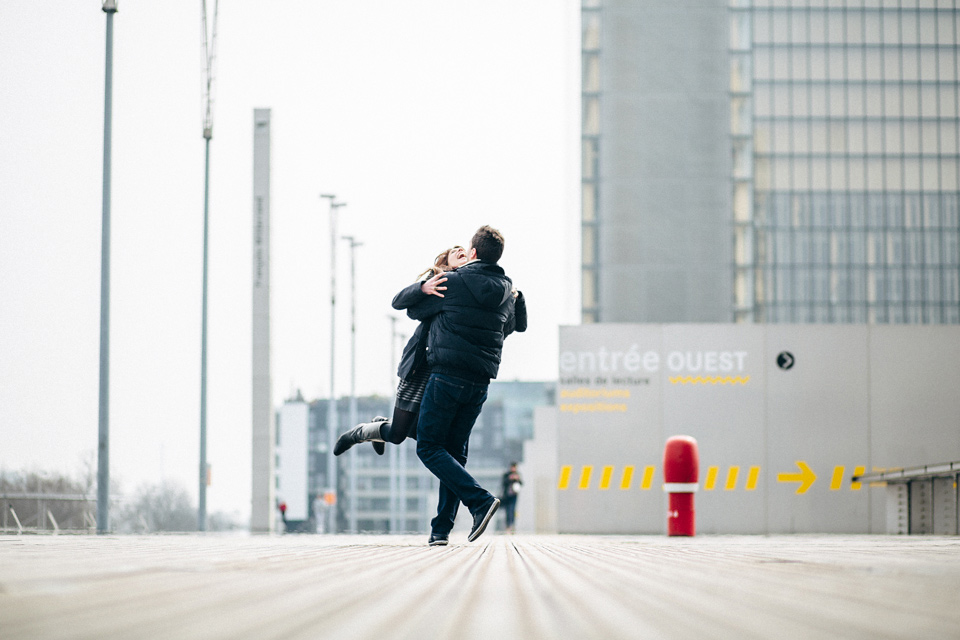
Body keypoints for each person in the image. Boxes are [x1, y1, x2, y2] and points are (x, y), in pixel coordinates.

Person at [396, 225, 526, 546]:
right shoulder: (506, 292)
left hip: (446, 377)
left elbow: (407, 306)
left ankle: (479, 501)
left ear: (474, 252)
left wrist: (425, 287)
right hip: (480, 384)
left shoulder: (453, 283)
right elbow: (516, 326)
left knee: (428, 447)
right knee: (454, 453)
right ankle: (441, 529)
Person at [333, 245, 470, 456]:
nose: (461, 250)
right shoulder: (440, 284)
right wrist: (423, 288)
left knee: (426, 433)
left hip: (444, 373)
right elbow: (400, 303)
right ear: (445, 261)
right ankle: (360, 432)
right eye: (455, 250)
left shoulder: (469, 288)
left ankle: (379, 427)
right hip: (420, 368)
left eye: (465, 250)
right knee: (397, 435)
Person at [500, 462, 522, 533]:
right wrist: (510, 479)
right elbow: (503, 483)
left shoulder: (518, 474)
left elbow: (521, 483)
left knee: (512, 510)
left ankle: (512, 525)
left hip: (514, 496)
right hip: (507, 496)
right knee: (507, 511)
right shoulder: (507, 474)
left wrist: (517, 479)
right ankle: (508, 526)